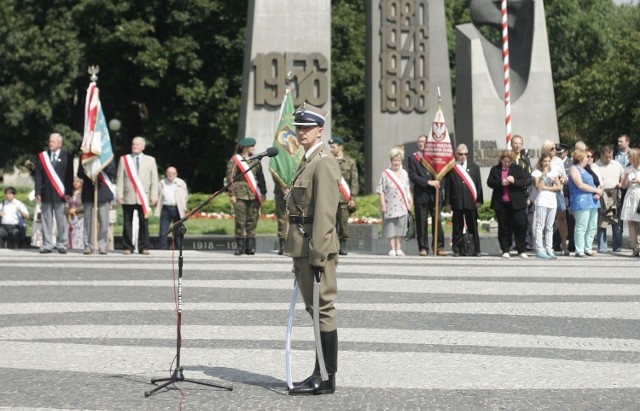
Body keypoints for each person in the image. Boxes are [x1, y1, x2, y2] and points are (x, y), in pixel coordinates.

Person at [284, 103, 340, 395]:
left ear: (320, 130)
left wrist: (318, 254)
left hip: (315, 249)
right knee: (314, 309)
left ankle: (326, 377)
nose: (301, 132)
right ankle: (320, 372)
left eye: (307, 127)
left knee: (323, 310)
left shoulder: (324, 161)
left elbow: (326, 213)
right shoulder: (307, 161)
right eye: (299, 127)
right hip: (302, 247)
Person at [116, 136, 158, 255]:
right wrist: (119, 195)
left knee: (144, 223)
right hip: (128, 196)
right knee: (127, 222)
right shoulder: (124, 159)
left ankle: (144, 246)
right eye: (133, 144)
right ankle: (127, 247)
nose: (135, 146)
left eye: (138, 144)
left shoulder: (151, 160)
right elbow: (120, 179)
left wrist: (154, 195)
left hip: (143, 197)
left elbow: (154, 180)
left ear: (143, 146)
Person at [34, 132, 74, 254]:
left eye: (53, 141)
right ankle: (47, 244)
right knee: (46, 220)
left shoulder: (67, 156)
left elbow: (69, 176)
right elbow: (38, 175)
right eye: (50, 141)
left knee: (61, 220)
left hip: (60, 194)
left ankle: (62, 244)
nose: (50, 143)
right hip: (46, 193)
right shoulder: (43, 156)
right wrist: (38, 191)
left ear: (59, 143)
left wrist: (68, 192)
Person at [227, 137, 267, 255]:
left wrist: (263, 192)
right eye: (252, 146)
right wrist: (232, 194)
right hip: (240, 194)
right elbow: (230, 177)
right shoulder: (235, 160)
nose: (254, 148)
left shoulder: (255, 160)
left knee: (252, 220)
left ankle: (250, 247)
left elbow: (260, 177)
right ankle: (240, 246)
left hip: (253, 194)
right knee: (240, 221)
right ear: (245, 147)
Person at [407, 135, 445, 256]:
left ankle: (438, 247)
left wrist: (439, 183)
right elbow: (413, 176)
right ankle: (423, 248)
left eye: (424, 142)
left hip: (435, 194)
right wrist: (428, 182)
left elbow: (444, 173)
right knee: (421, 222)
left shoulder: (437, 157)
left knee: (437, 221)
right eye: (420, 142)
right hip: (421, 194)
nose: (421, 144)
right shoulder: (413, 157)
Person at [487, 150, 529, 258]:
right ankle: (505, 249)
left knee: (520, 226)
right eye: (505, 161)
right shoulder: (495, 169)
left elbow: (525, 181)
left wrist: (514, 180)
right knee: (504, 227)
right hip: (501, 203)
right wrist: (500, 183)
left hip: (517, 203)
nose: (507, 164)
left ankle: (521, 250)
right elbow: (490, 182)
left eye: (509, 162)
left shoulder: (518, 169)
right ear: (501, 160)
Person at [445, 144, 483, 256]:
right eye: (460, 154)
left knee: (473, 226)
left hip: (471, 202)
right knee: (457, 227)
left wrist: (479, 200)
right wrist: (447, 202)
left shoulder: (475, 167)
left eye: (465, 154)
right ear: (456, 154)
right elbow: (448, 187)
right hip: (456, 202)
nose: (463, 156)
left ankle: (476, 249)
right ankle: (457, 249)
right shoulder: (452, 167)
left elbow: (478, 185)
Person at [377, 147, 412, 256]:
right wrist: (383, 204)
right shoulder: (386, 173)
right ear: (391, 160)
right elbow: (380, 190)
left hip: (402, 204)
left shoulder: (404, 173)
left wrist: (410, 202)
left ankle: (399, 248)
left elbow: (407, 188)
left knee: (401, 227)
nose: (396, 162)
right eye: (394, 160)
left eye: (398, 160)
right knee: (390, 227)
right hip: (389, 203)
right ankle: (392, 248)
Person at [568, 149, 603, 257]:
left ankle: (588, 247)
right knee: (581, 226)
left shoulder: (587, 169)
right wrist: (596, 190)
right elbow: (580, 185)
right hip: (581, 201)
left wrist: (599, 190)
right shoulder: (574, 169)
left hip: (593, 201)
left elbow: (597, 182)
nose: (588, 158)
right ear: (581, 158)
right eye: (586, 157)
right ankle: (579, 249)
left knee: (592, 226)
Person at [78, 162, 116, 255]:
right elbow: (79, 173)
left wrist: (101, 166)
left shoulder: (107, 153)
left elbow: (112, 171)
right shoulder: (85, 152)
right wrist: (90, 168)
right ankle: (88, 245)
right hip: (89, 190)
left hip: (103, 189)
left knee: (104, 220)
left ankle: (102, 245)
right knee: (88, 221)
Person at [329, 136, 358, 255]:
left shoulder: (350, 162)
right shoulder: (328, 160)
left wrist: (353, 198)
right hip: (330, 197)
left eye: (333, 147)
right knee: (330, 223)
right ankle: (332, 246)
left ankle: (343, 245)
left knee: (343, 223)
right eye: (330, 147)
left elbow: (354, 181)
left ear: (340, 147)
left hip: (343, 199)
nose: (331, 149)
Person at [594, 146, 624, 254]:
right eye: (606, 157)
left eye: (610, 157)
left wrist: (620, 184)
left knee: (617, 223)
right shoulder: (595, 166)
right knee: (602, 222)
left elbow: (623, 179)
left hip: (615, 194)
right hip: (602, 195)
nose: (608, 159)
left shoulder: (617, 165)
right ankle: (602, 248)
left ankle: (617, 247)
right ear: (601, 155)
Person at [531, 153, 561, 259]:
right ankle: (540, 249)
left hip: (552, 201)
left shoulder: (554, 172)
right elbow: (539, 188)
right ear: (541, 162)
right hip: (542, 200)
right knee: (540, 225)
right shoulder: (537, 173)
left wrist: (548, 188)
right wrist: (543, 175)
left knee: (550, 226)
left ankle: (549, 248)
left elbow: (558, 186)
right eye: (545, 161)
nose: (547, 163)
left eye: (548, 161)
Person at [155, 166, 189, 250]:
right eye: (169, 173)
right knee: (163, 229)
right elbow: (158, 195)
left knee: (178, 230)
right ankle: (162, 248)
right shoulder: (161, 183)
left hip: (177, 209)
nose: (171, 175)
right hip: (165, 209)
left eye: (173, 173)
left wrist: (183, 207)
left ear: (176, 174)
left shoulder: (181, 183)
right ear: (166, 173)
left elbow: (185, 196)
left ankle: (179, 247)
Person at [510, 135, 533, 249]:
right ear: (511, 144)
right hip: (511, 193)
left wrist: (523, 185)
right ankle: (512, 242)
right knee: (511, 219)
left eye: (520, 143)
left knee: (524, 219)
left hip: (523, 193)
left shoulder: (525, 159)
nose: (518, 145)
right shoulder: (508, 158)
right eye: (515, 143)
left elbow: (530, 177)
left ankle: (525, 242)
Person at [548, 141, 570, 255]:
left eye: (555, 150)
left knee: (561, 219)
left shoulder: (558, 161)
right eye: (552, 149)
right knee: (548, 220)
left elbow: (565, 178)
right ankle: (548, 245)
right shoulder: (543, 160)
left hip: (558, 192)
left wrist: (562, 179)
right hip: (547, 193)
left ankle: (564, 245)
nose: (554, 152)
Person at [619, 148, 640, 256]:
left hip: (639, 196)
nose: (628, 158)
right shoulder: (628, 168)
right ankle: (635, 248)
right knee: (631, 223)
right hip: (631, 196)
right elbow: (623, 186)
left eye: (630, 156)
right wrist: (626, 175)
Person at [613, 134, 631, 252]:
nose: (619, 144)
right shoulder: (615, 154)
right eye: (618, 142)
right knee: (617, 217)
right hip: (618, 188)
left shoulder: (633, 154)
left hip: (630, 188)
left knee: (632, 218)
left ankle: (634, 243)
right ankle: (617, 246)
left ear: (627, 142)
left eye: (621, 141)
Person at [68, 177, 84, 250]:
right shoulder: (70, 192)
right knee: (71, 232)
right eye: (74, 181)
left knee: (79, 233)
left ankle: (79, 247)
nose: (75, 183)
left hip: (80, 216)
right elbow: (66, 203)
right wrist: (68, 210)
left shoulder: (83, 192)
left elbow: (84, 206)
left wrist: (76, 210)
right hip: (70, 217)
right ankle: (71, 246)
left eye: (77, 182)